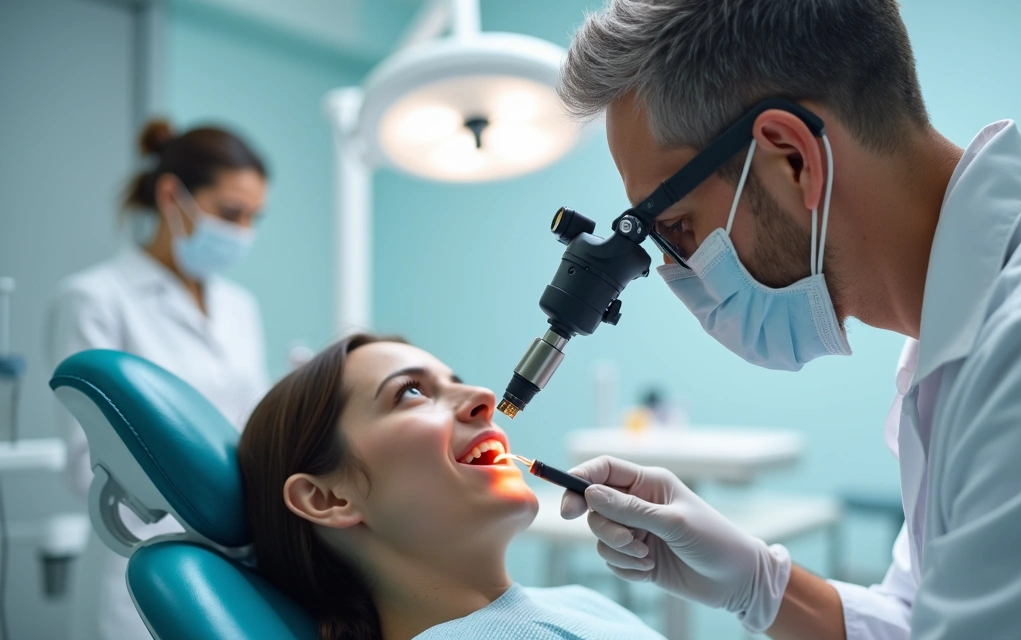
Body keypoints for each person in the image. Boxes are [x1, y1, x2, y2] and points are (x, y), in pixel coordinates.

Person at [552, 1, 1021, 638]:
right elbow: (924, 620)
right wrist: (759, 584)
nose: (681, 270)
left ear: (790, 158)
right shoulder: (959, 327)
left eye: (675, 229)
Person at [237, 333, 666, 640]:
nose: (482, 395)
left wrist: (737, 596)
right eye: (410, 393)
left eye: (455, 380)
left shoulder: (580, 603)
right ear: (327, 497)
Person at [46, 119, 271, 640]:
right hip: (139, 556)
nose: (242, 233)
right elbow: (88, 466)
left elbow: (250, 423)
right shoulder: (95, 299)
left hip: (237, 556)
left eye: (253, 218)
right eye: (230, 213)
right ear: (173, 196)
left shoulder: (240, 307)